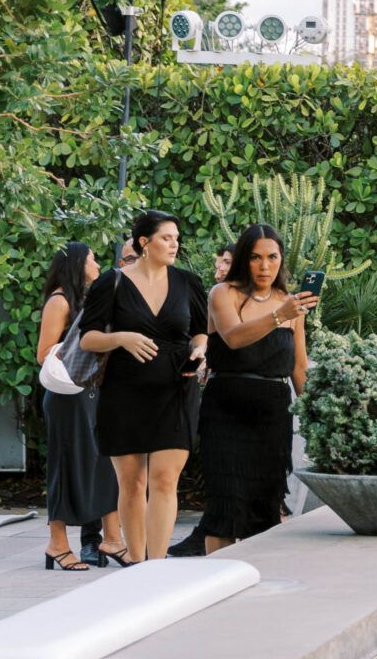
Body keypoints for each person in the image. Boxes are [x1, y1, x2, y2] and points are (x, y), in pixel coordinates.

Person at [78, 211, 211, 563]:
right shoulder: (112, 282)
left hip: (176, 388)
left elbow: (201, 330)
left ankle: (157, 564)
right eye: (166, 237)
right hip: (124, 392)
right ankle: (137, 563)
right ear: (143, 242)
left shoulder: (188, 282)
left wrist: (200, 348)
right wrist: (121, 338)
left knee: (166, 480)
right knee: (133, 484)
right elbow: (87, 339)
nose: (174, 243)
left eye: (176, 237)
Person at [196, 224, 316, 551]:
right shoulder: (224, 293)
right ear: (243, 260)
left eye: (272, 257)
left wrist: (317, 419)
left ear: (281, 260)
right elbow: (233, 337)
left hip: (272, 412)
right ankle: (217, 585)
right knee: (225, 504)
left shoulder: (290, 305)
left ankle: (254, 583)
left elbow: (299, 366)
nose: (265, 266)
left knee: (265, 506)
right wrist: (279, 315)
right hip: (226, 409)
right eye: (256, 257)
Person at [33, 242, 121, 571]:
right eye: (92, 259)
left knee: (101, 464)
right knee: (65, 465)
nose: (97, 264)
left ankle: (110, 538)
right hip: (67, 396)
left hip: (90, 393)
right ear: (76, 265)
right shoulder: (59, 301)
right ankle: (57, 544)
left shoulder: (85, 299)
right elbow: (44, 354)